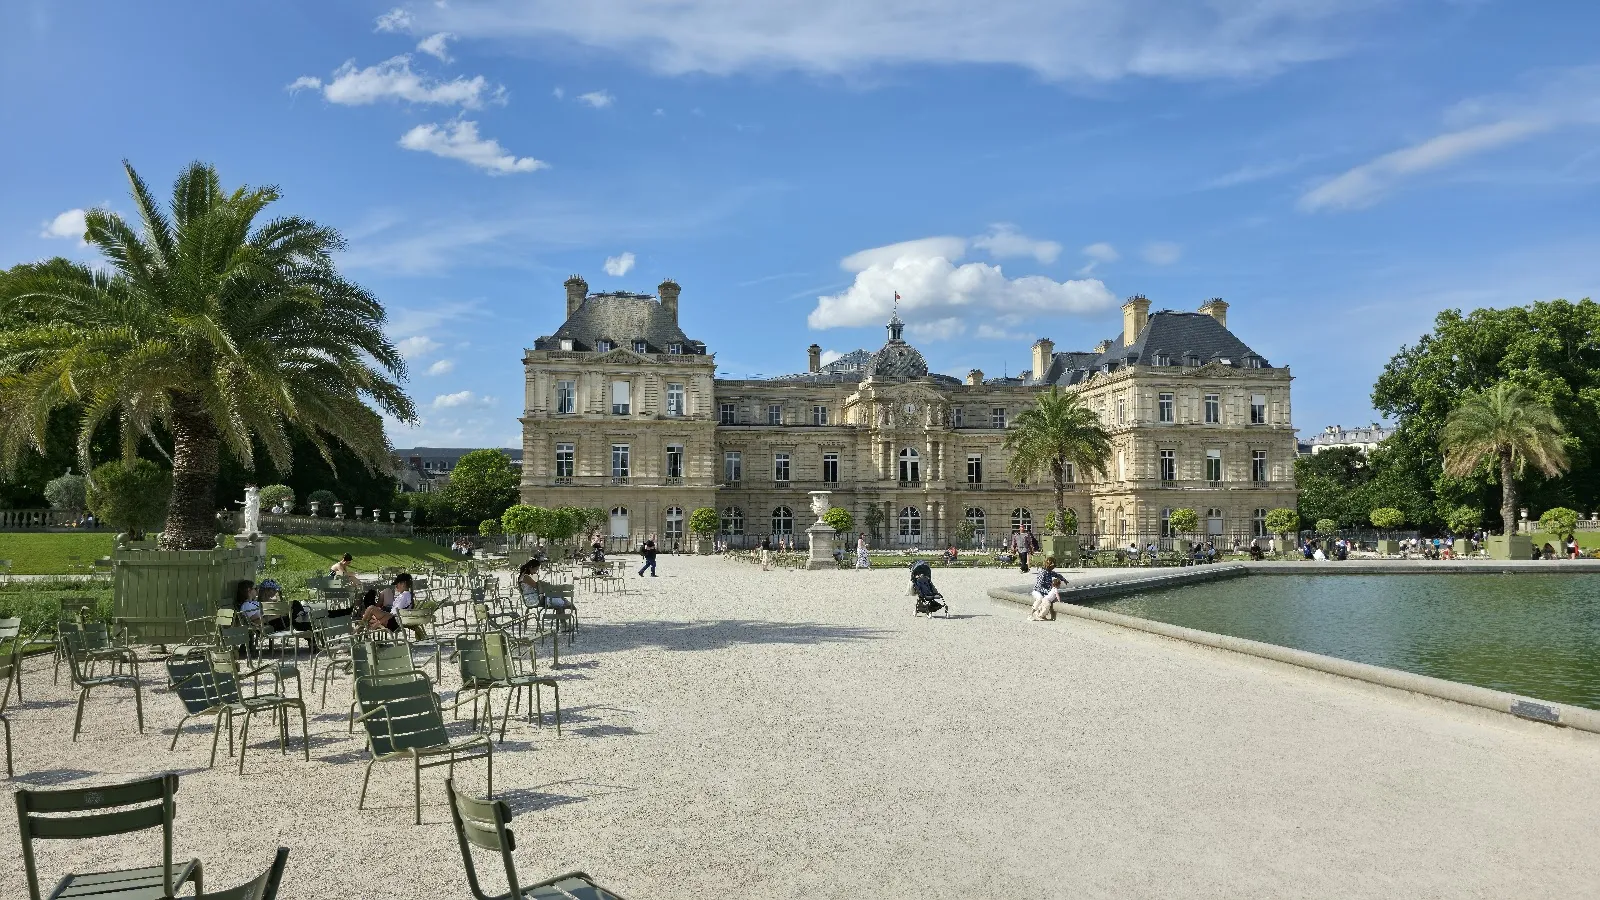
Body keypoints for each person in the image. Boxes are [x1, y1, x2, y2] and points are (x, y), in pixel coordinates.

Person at [1030, 557, 1068, 621]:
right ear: (1049, 565)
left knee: (1047, 600)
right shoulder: (1042, 572)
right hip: (1037, 591)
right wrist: (1048, 591)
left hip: (1044, 591)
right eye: (1053, 566)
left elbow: (1057, 575)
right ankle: (1030, 614)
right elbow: (1039, 586)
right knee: (1040, 598)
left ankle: (1040, 614)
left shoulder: (1049, 572)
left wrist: (1064, 579)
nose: (1054, 567)